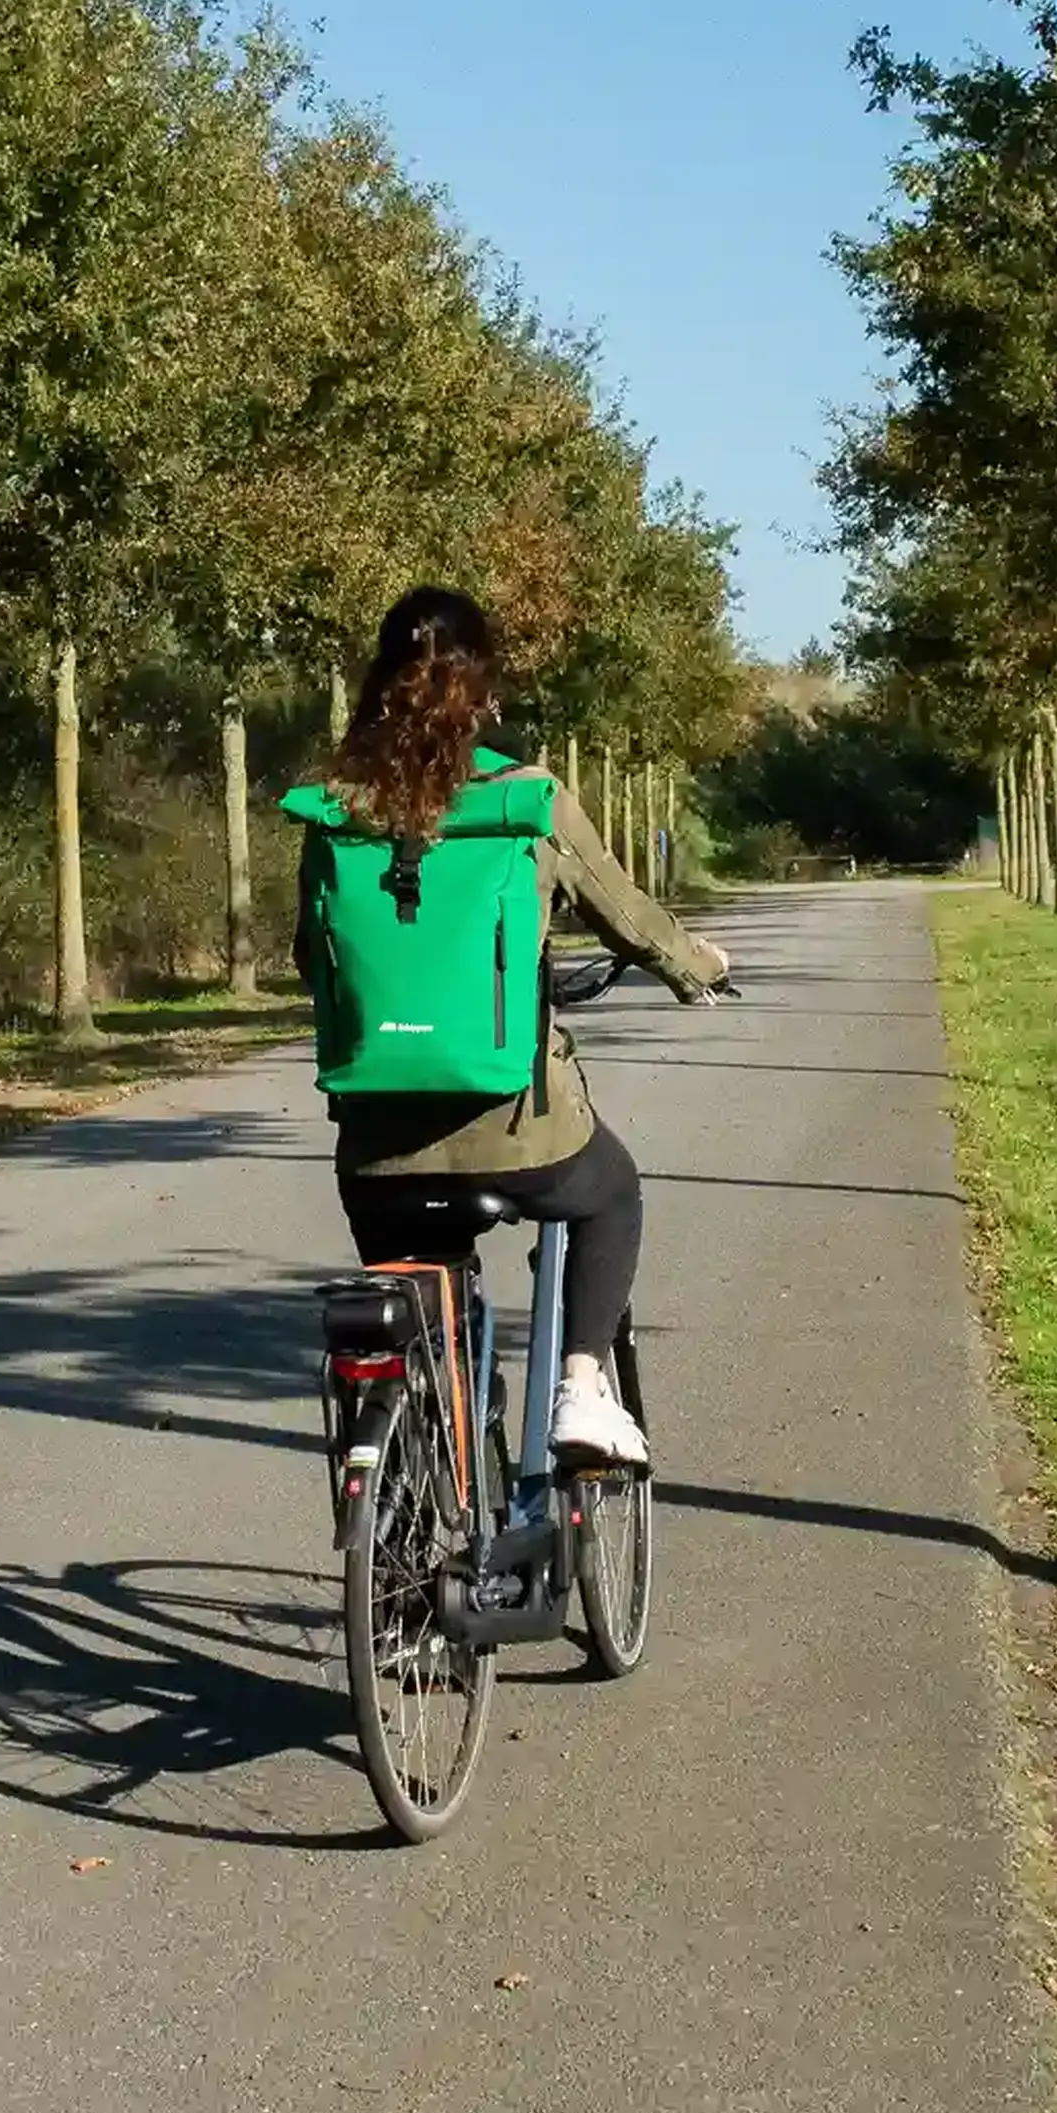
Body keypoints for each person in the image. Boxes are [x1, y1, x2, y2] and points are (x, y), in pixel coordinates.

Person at [291, 586, 726, 1469]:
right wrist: (697, 968)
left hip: (377, 1146)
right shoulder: (525, 798)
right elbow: (626, 915)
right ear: (482, 688)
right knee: (611, 1195)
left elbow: (312, 954)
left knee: (419, 1295)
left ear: (378, 680)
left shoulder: (333, 807)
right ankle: (579, 1388)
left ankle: (423, 1474)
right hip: (520, 1131)